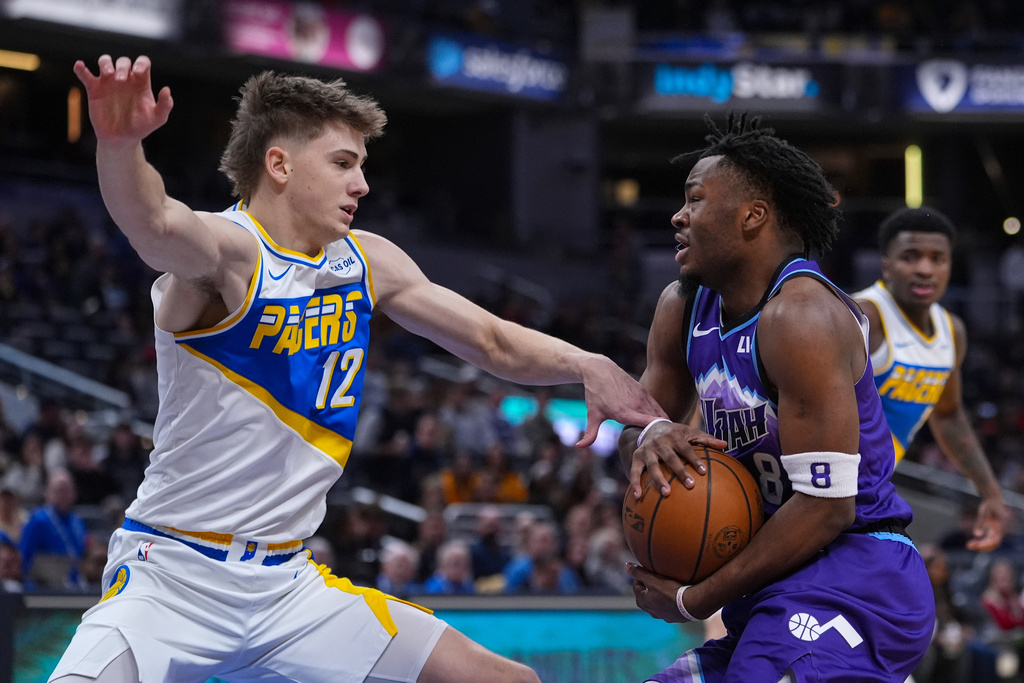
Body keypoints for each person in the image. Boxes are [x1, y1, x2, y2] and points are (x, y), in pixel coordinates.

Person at [55, 54, 664, 683]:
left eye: (363, 167)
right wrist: (121, 147)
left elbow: (492, 342)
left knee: (511, 682)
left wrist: (586, 361)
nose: (362, 185)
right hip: (174, 574)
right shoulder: (232, 252)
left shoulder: (366, 262)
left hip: (288, 587)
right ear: (280, 164)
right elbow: (153, 222)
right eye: (343, 163)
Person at [619, 114, 935, 682]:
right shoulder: (682, 307)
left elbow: (827, 507)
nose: (677, 215)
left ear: (752, 216)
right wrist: (650, 437)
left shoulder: (802, 315)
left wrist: (694, 601)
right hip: (773, 588)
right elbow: (630, 442)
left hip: (858, 574)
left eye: (694, 199)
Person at [853, 207, 1011, 552]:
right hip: (827, 486)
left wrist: (991, 493)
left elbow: (949, 416)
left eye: (937, 259)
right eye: (910, 257)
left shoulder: (951, 330)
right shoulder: (862, 317)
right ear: (886, 264)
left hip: (872, 489)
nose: (925, 269)